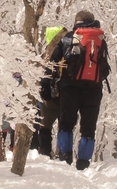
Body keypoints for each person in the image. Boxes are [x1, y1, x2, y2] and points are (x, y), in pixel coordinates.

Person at [49, 10, 110, 170]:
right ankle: (83, 163)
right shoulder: (100, 40)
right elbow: (105, 69)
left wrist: (53, 84)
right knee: (88, 129)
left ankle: (65, 158)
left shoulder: (68, 38)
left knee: (66, 124)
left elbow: (52, 64)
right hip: (93, 90)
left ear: (76, 22)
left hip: (70, 89)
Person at [37, 26, 68, 157]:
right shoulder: (68, 50)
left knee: (45, 127)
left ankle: (44, 153)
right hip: (66, 95)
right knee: (64, 127)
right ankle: (63, 154)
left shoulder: (47, 53)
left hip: (49, 98)